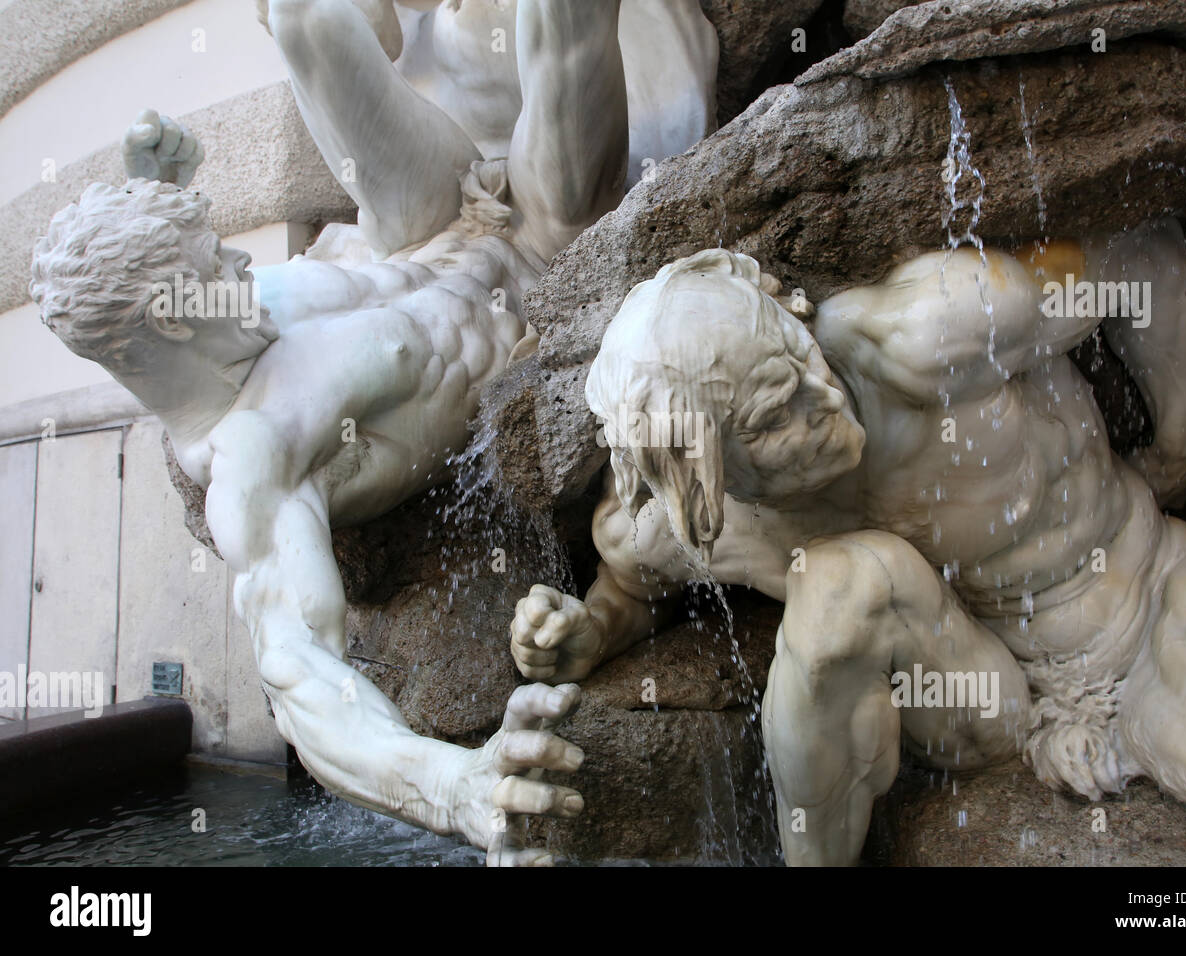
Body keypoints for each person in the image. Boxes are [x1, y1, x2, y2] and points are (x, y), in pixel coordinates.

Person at [31, 0, 710, 865]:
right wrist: (453, 788)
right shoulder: (257, 459)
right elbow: (303, 682)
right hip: (546, 244)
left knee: (303, 17)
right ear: (171, 322)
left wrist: (158, 202)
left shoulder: (231, 313)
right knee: (564, 18)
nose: (244, 261)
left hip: (425, 222)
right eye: (216, 264)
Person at [511, 234, 1186, 864]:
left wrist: (1182, 453)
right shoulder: (695, 524)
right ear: (712, 487)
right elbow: (633, 586)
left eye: (795, 353)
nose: (823, 402)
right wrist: (590, 630)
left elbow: (1141, 265)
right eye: (772, 419)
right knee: (840, 584)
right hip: (990, 699)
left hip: (1147, 604)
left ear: (780, 303)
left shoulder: (935, 330)